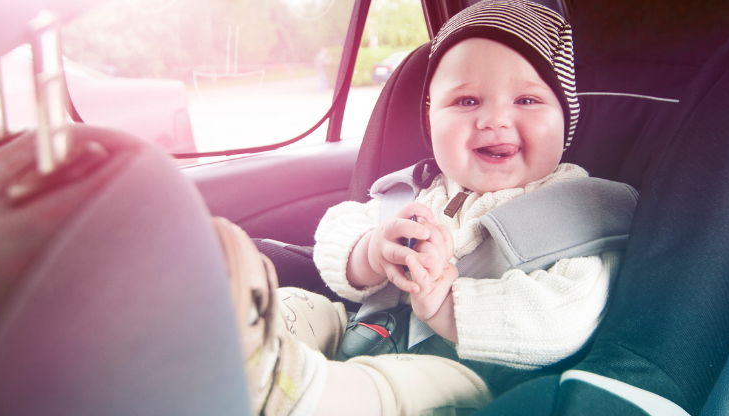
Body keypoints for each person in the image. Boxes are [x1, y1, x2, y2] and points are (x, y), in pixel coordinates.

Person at [215, 1, 630, 415]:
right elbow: (336, 230)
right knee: (304, 309)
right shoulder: (420, 188)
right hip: (366, 326)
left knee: (385, 389)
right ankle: (232, 344)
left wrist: (447, 304)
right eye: (467, 101)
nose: (495, 119)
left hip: (462, 373)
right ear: (431, 120)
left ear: (565, 117)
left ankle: (291, 387)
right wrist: (371, 251)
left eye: (526, 100)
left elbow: (565, 314)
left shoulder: (578, 211)